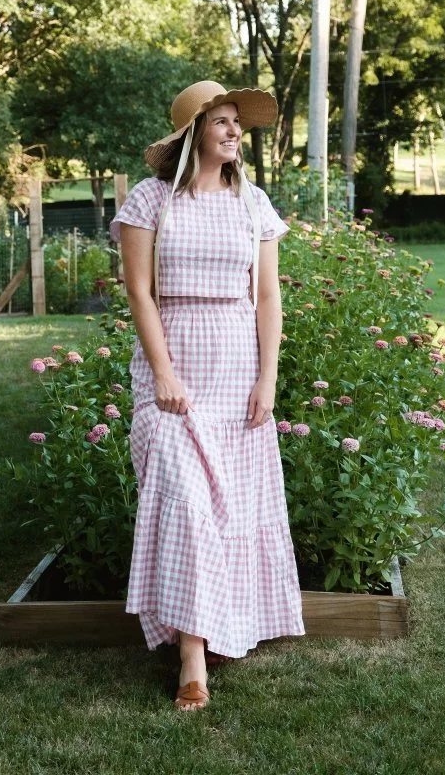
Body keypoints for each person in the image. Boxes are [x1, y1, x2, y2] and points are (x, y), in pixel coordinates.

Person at [109, 80, 305, 711]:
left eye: (236, 122)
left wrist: (267, 378)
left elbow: (267, 297)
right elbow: (140, 292)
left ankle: (218, 626)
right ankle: (192, 658)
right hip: (173, 367)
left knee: (231, 509)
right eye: (220, 121)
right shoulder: (150, 200)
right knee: (187, 502)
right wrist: (163, 374)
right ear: (193, 134)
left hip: (236, 366)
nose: (233, 131)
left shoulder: (253, 202)